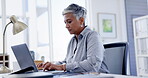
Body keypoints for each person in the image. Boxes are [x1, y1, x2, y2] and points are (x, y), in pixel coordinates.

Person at [37, 3, 109, 73]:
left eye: (69, 22)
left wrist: (62, 67)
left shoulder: (93, 36)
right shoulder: (72, 41)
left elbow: (92, 65)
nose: (66, 26)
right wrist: (51, 65)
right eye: (65, 23)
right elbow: (67, 62)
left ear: (81, 20)